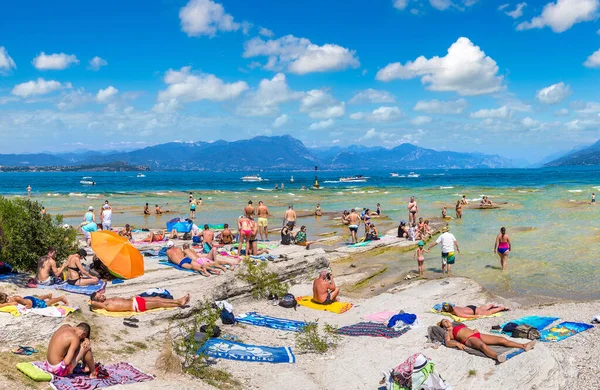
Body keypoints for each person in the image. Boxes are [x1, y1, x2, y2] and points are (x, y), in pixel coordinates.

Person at [439, 319, 535, 363]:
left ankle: (523, 346)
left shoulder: (458, 325)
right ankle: (497, 357)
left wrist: (473, 330)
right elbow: (447, 342)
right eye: (445, 322)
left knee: (501, 339)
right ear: (444, 326)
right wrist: (456, 344)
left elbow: (466, 330)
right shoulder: (448, 332)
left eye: (447, 320)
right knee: (483, 346)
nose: (447, 321)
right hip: (469, 339)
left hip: (477, 334)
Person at [90, 290, 190, 312]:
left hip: (134, 301)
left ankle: (178, 300)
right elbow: (92, 302)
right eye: (100, 296)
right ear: (98, 300)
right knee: (158, 303)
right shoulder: (105, 305)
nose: (102, 295)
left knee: (157, 299)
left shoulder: (107, 300)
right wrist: (94, 300)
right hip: (135, 306)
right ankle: (178, 303)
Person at [0, 292, 69, 309]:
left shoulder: (16, 299)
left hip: (31, 302)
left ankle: (61, 298)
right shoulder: (11, 299)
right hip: (27, 298)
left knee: (46, 304)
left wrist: (28, 307)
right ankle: (47, 296)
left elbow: (29, 304)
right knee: (38, 298)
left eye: (7, 301)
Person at [441, 302, 509, 318]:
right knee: (480, 309)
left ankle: (501, 308)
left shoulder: (457, 313)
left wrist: (477, 316)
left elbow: (466, 316)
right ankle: (490, 305)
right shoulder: (454, 307)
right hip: (469, 307)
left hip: (474, 311)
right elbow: (444, 308)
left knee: (488, 312)